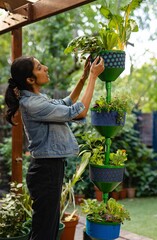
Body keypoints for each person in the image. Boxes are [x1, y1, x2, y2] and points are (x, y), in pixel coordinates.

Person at [5, 55, 104, 240]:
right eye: (40, 67)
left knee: (48, 228)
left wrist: (83, 78)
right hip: (45, 170)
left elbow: (67, 102)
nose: (46, 67)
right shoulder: (34, 104)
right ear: (30, 79)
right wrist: (93, 77)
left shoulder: (38, 99)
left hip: (49, 168)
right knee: (44, 232)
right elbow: (80, 111)